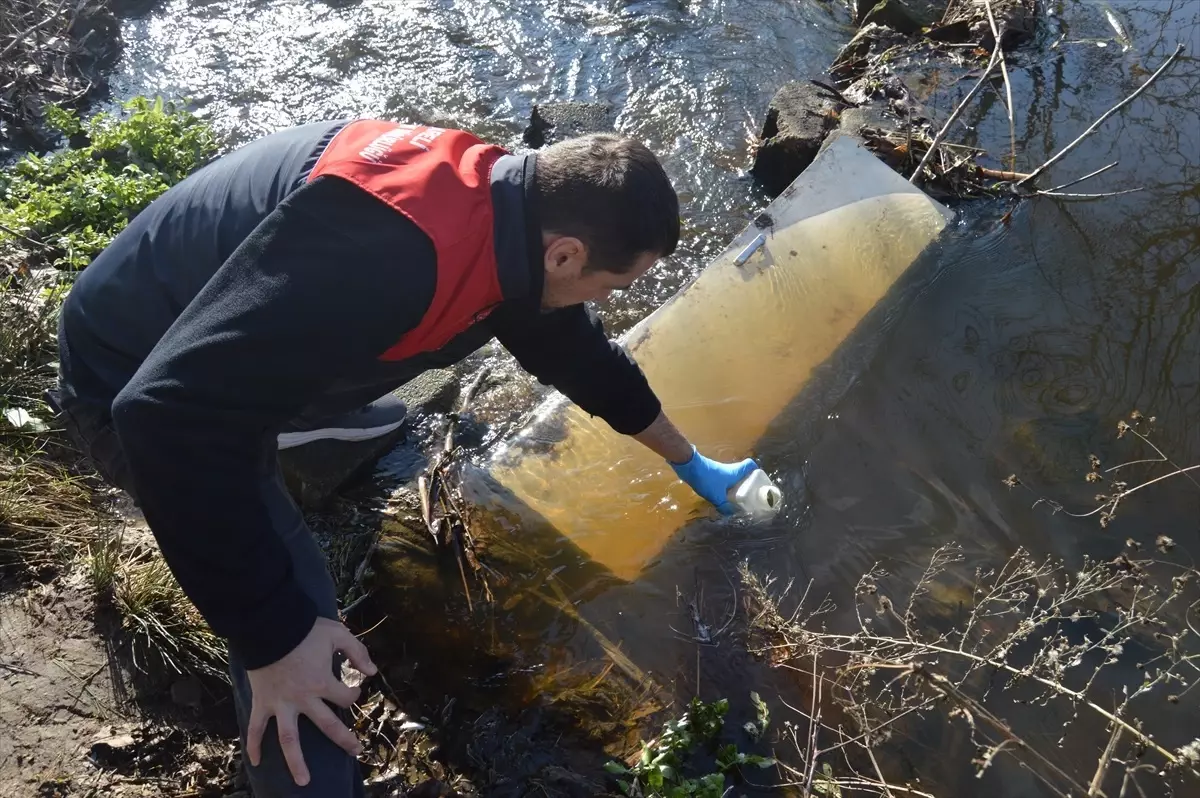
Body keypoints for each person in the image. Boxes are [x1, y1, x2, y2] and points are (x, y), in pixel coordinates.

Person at [51, 117, 761, 797]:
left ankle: (291, 433)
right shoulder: (384, 253)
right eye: (614, 286)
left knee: (382, 417)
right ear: (567, 254)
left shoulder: (508, 207)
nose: (607, 300)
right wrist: (272, 638)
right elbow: (159, 416)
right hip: (135, 378)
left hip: (233, 341)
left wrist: (689, 461)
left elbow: (578, 354)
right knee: (304, 643)